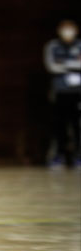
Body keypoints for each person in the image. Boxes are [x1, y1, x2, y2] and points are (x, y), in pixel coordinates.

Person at [43, 19, 81, 168]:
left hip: (77, 93)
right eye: (65, 29)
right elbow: (51, 66)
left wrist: (64, 64)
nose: (68, 32)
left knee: (77, 126)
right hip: (60, 92)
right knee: (59, 125)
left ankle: (78, 156)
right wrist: (73, 65)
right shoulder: (53, 46)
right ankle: (58, 156)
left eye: (70, 28)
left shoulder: (79, 45)